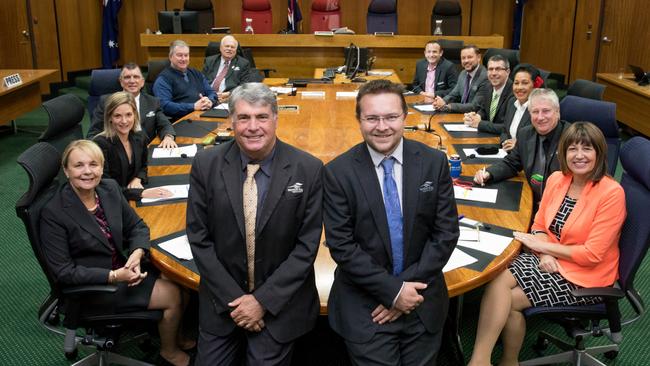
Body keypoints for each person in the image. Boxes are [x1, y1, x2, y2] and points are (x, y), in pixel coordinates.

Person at [323, 79, 459, 365]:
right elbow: (342, 246)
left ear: (405, 117)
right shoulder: (337, 173)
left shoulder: (434, 163)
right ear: (359, 120)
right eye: (372, 118)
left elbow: (445, 233)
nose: (382, 126)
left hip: (422, 298)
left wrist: (405, 291)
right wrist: (394, 292)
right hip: (366, 305)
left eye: (391, 117)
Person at [467, 122, 626, 366]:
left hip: (584, 276)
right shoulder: (557, 179)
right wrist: (544, 254)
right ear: (564, 153)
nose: (579, 155)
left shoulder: (611, 193)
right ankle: (498, 361)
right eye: (572, 149)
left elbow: (592, 255)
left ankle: (487, 361)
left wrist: (544, 248)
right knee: (498, 279)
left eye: (587, 149)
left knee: (505, 296)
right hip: (550, 258)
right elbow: (539, 225)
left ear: (599, 153)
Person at [186, 83, 323, 366]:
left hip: (279, 305)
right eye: (243, 118)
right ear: (232, 121)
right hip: (223, 301)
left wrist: (261, 302)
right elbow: (199, 238)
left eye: (261, 117)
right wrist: (238, 302)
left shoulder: (308, 169)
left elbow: (307, 246)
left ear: (275, 119)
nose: (253, 127)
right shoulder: (205, 164)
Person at [40, 139, 192, 366]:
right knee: (173, 294)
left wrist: (137, 253)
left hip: (122, 267)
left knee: (179, 277)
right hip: (92, 288)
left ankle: (175, 333)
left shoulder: (108, 189)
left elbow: (137, 226)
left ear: (102, 167)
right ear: (66, 170)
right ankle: (168, 351)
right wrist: (113, 276)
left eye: (94, 164)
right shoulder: (54, 213)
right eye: (79, 165)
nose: (88, 172)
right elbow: (64, 272)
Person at [474, 88, 569, 210]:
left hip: (559, 206)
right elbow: (512, 163)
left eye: (546, 111)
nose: (540, 117)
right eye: (535, 112)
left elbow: (578, 183)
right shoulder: (525, 134)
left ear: (557, 112)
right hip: (531, 203)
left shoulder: (572, 139)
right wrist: (489, 173)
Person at [93, 92, 171, 200]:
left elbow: (143, 166)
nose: (124, 121)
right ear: (109, 117)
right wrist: (140, 194)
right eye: (117, 116)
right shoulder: (100, 145)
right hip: (112, 201)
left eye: (128, 115)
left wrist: (138, 178)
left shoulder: (139, 137)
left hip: (132, 195)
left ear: (135, 115)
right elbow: (104, 186)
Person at [87, 62, 178, 149]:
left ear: (142, 82)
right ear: (121, 81)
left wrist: (168, 137)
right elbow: (94, 133)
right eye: (127, 77)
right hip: (116, 150)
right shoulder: (107, 101)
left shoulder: (152, 102)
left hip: (146, 150)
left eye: (136, 77)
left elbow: (164, 124)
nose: (132, 81)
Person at [153, 40, 218, 120]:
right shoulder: (163, 79)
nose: (183, 59)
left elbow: (211, 92)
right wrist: (193, 106)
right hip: (182, 121)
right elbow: (164, 105)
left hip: (203, 116)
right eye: (179, 55)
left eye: (186, 55)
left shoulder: (196, 73)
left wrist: (210, 101)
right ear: (170, 57)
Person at [463, 54, 513, 133]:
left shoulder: (514, 93)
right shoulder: (487, 87)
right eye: (490, 69)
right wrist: (477, 117)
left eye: (498, 69)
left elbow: (508, 127)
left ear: (507, 72)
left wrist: (480, 124)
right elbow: (484, 110)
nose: (493, 73)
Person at [433, 45, 490, 113]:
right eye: (463, 58)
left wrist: (449, 106)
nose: (466, 61)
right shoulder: (463, 73)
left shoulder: (485, 77)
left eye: (469, 57)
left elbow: (475, 106)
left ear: (478, 57)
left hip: (474, 117)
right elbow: (453, 95)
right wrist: (442, 101)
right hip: (461, 114)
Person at [202, 35, 254, 103]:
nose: (229, 49)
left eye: (232, 47)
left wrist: (227, 94)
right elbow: (202, 81)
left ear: (236, 50)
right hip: (207, 97)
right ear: (220, 48)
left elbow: (244, 86)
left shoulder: (243, 63)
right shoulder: (210, 61)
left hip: (228, 98)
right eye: (227, 46)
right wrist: (210, 94)